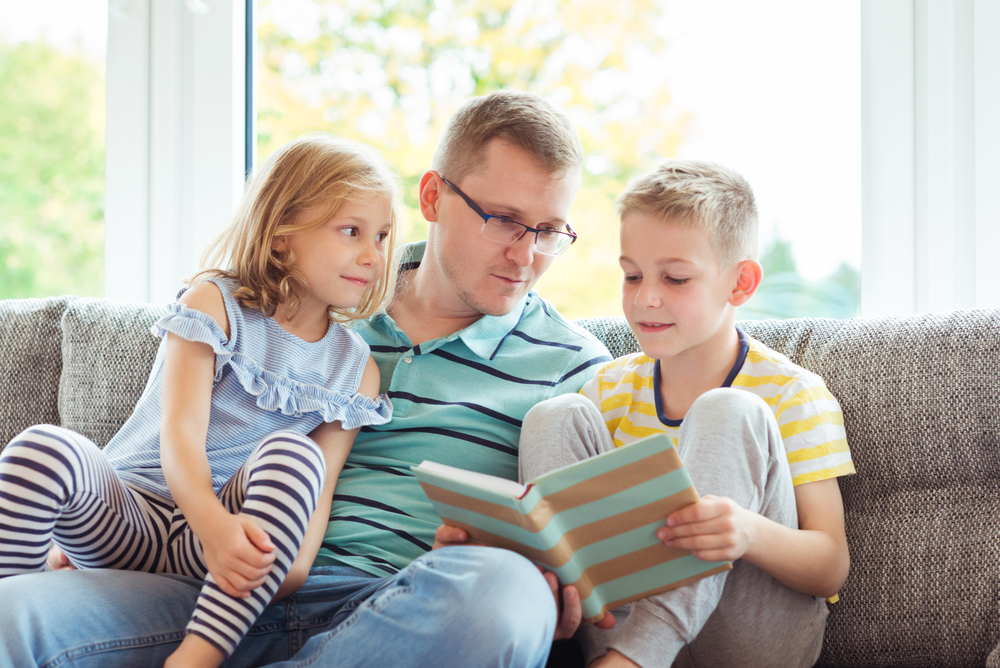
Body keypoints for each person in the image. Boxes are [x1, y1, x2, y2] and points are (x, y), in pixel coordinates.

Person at [0, 90, 613, 668]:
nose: (526, 255)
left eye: (551, 231)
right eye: (505, 220)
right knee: (15, 614)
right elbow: (161, 444)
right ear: (432, 198)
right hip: (205, 584)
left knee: (507, 595)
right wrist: (85, 529)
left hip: (394, 612)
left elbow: (598, 562)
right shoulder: (295, 305)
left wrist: (559, 588)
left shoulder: (576, 368)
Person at [0, 134, 400, 668]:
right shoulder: (213, 302)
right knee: (42, 448)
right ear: (282, 236)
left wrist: (273, 569)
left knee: (294, 456)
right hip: (132, 514)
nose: (373, 255)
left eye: (383, 236)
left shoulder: (356, 371)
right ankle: (16, 601)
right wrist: (209, 523)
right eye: (351, 231)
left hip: (220, 552)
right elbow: (180, 434)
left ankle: (198, 656)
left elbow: (316, 496)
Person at [518, 159, 856, 667]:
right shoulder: (608, 389)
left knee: (727, 410)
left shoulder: (790, 393)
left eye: (675, 278)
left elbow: (830, 566)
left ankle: (637, 657)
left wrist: (747, 531)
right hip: (620, 623)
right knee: (553, 415)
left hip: (746, 637)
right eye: (632, 275)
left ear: (740, 284)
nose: (645, 298)